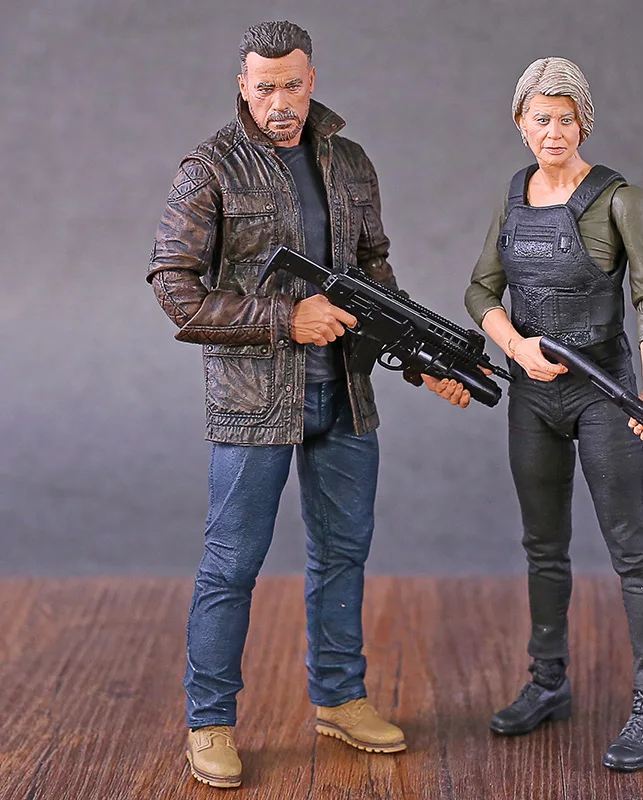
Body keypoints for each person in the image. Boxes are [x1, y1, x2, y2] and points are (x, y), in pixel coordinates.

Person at [148, 20, 468, 789]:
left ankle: (340, 697)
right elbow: (175, 288)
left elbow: (374, 271)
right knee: (232, 564)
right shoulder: (210, 168)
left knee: (343, 553)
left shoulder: (349, 162)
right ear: (242, 86)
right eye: (265, 88)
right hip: (255, 397)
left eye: (292, 84)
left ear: (312, 80)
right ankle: (209, 721)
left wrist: (425, 360)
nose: (280, 102)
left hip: (345, 391)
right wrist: (284, 319)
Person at [464, 57, 643, 772]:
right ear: (520, 123)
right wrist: (516, 345)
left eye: (565, 118)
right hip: (534, 393)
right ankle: (548, 680)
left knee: (630, 548)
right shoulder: (514, 195)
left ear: (584, 123)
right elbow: (480, 290)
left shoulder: (619, 199)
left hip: (604, 389)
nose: (553, 131)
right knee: (543, 544)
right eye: (540, 118)